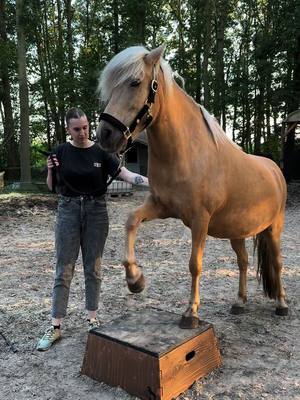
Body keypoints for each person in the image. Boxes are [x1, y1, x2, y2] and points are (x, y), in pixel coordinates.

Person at [36, 107, 148, 351]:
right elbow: (51, 187)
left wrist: (152, 183)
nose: (82, 132)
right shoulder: (61, 151)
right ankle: (55, 326)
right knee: (64, 268)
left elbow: (126, 174)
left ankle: (92, 319)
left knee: (93, 268)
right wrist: (52, 169)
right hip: (68, 211)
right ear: (68, 130)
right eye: (77, 129)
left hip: (97, 212)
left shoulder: (100, 151)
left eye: (85, 127)